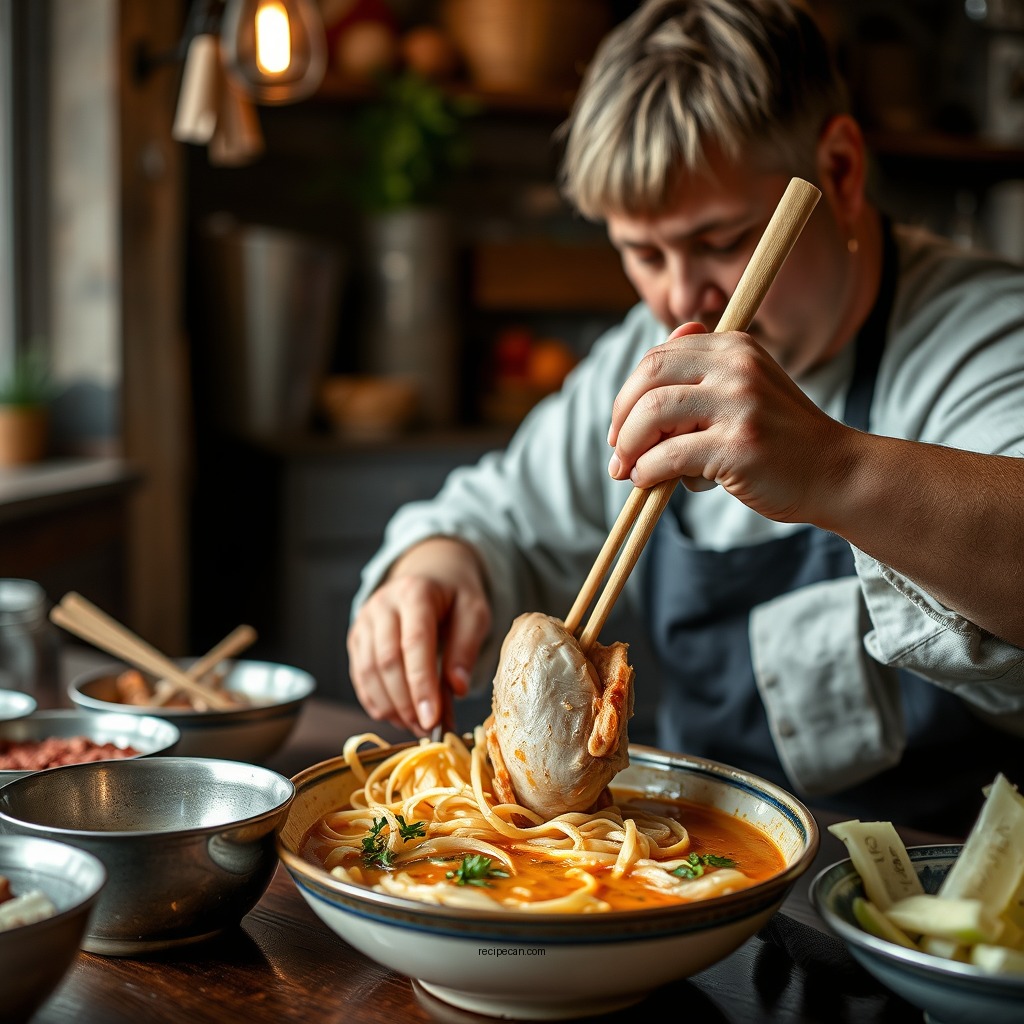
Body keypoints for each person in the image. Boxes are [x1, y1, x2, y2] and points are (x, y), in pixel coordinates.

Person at [345, 0, 1024, 834]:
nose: (678, 296)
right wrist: (435, 570)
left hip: (943, 874)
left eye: (722, 241)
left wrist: (834, 470)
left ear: (842, 172)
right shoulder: (653, 347)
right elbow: (502, 519)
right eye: (642, 252)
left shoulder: (986, 333)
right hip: (694, 865)